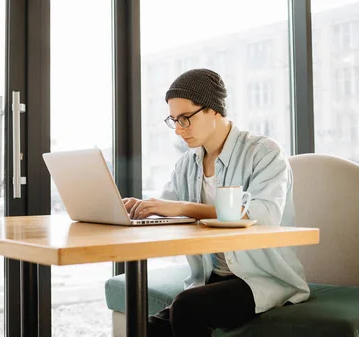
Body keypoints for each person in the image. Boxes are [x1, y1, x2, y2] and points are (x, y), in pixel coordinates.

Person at [123, 69, 309, 337]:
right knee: (145, 329)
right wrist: (141, 209)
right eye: (174, 120)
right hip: (210, 278)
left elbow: (264, 215)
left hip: (261, 277)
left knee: (187, 307)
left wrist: (185, 208)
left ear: (214, 110)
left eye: (185, 118)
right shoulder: (187, 163)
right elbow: (168, 209)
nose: (178, 130)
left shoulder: (263, 152)